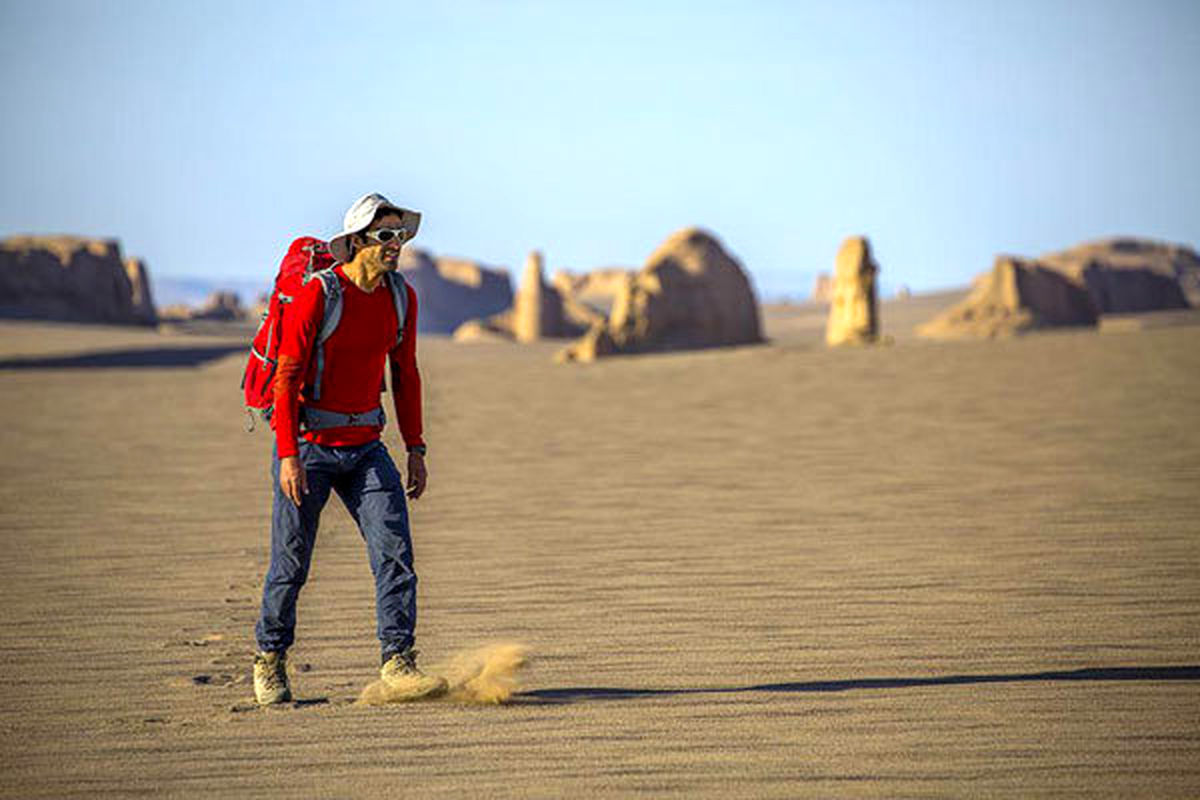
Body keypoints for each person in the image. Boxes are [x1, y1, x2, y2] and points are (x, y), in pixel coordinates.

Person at [252, 193, 446, 705]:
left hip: (366, 446)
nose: (396, 246)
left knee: (395, 555)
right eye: (385, 236)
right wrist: (288, 454)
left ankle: (398, 661)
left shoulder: (401, 297)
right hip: (310, 446)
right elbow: (288, 375)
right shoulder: (322, 294)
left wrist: (416, 448)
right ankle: (269, 659)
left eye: (401, 236)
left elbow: (406, 374)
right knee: (291, 564)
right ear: (357, 241)